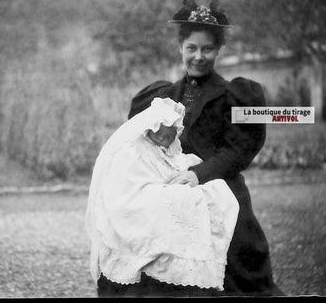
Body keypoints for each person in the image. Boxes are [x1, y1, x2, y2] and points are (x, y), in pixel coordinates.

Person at [127, 0, 284, 296]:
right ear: (180, 48)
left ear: (218, 51)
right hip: (171, 186)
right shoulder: (163, 95)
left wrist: (198, 175)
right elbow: (140, 144)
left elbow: (238, 150)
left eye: (207, 49)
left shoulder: (236, 94)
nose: (198, 57)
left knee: (234, 254)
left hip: (218, 183)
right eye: (191, 48)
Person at [85, 97, 240, 297]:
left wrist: (185, 178)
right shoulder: (130, 151)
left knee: (216, 193)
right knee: (185, 202)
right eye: (159, 135)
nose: (163, 141)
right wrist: (172, 192)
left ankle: (184, 278)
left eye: (169, 137)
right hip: (132, 207)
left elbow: (175, 166)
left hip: (156, 199)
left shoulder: (164, 151)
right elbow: (129, 192)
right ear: (150, 128)